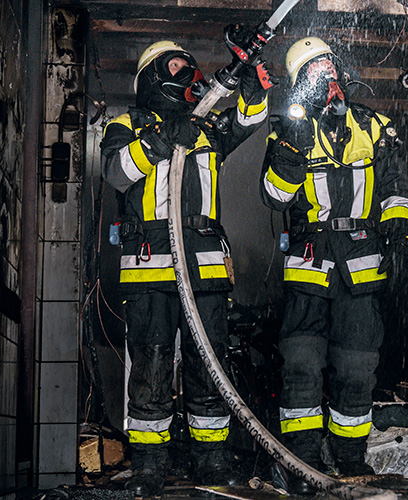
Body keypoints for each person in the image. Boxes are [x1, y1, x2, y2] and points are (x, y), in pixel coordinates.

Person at [100, 40, 269, 496]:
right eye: (175, 65)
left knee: (208, 363)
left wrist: (252, 86)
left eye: (189, 66)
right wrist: (159, 141)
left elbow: (248, 120)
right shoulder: (127, 124)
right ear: (153, 75)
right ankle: (149, 464)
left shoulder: (207, 125)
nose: (187, 72)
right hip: (150, 263)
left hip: (205, 264)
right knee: (152, 363)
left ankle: (211, 460)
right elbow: (115, 171)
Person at [259, 37, 408, 493]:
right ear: (299, 85)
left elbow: (395, 188)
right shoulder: (288, 130)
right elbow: (274, 196)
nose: (325, 73)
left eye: (328, 64)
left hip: (362, 263)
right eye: (313, 69)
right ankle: (303, 462)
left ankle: (350, 459)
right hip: (309, 264)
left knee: (357, 367)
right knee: (301, 365)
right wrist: (293, 147)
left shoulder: (374, 125)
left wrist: (401, 236)